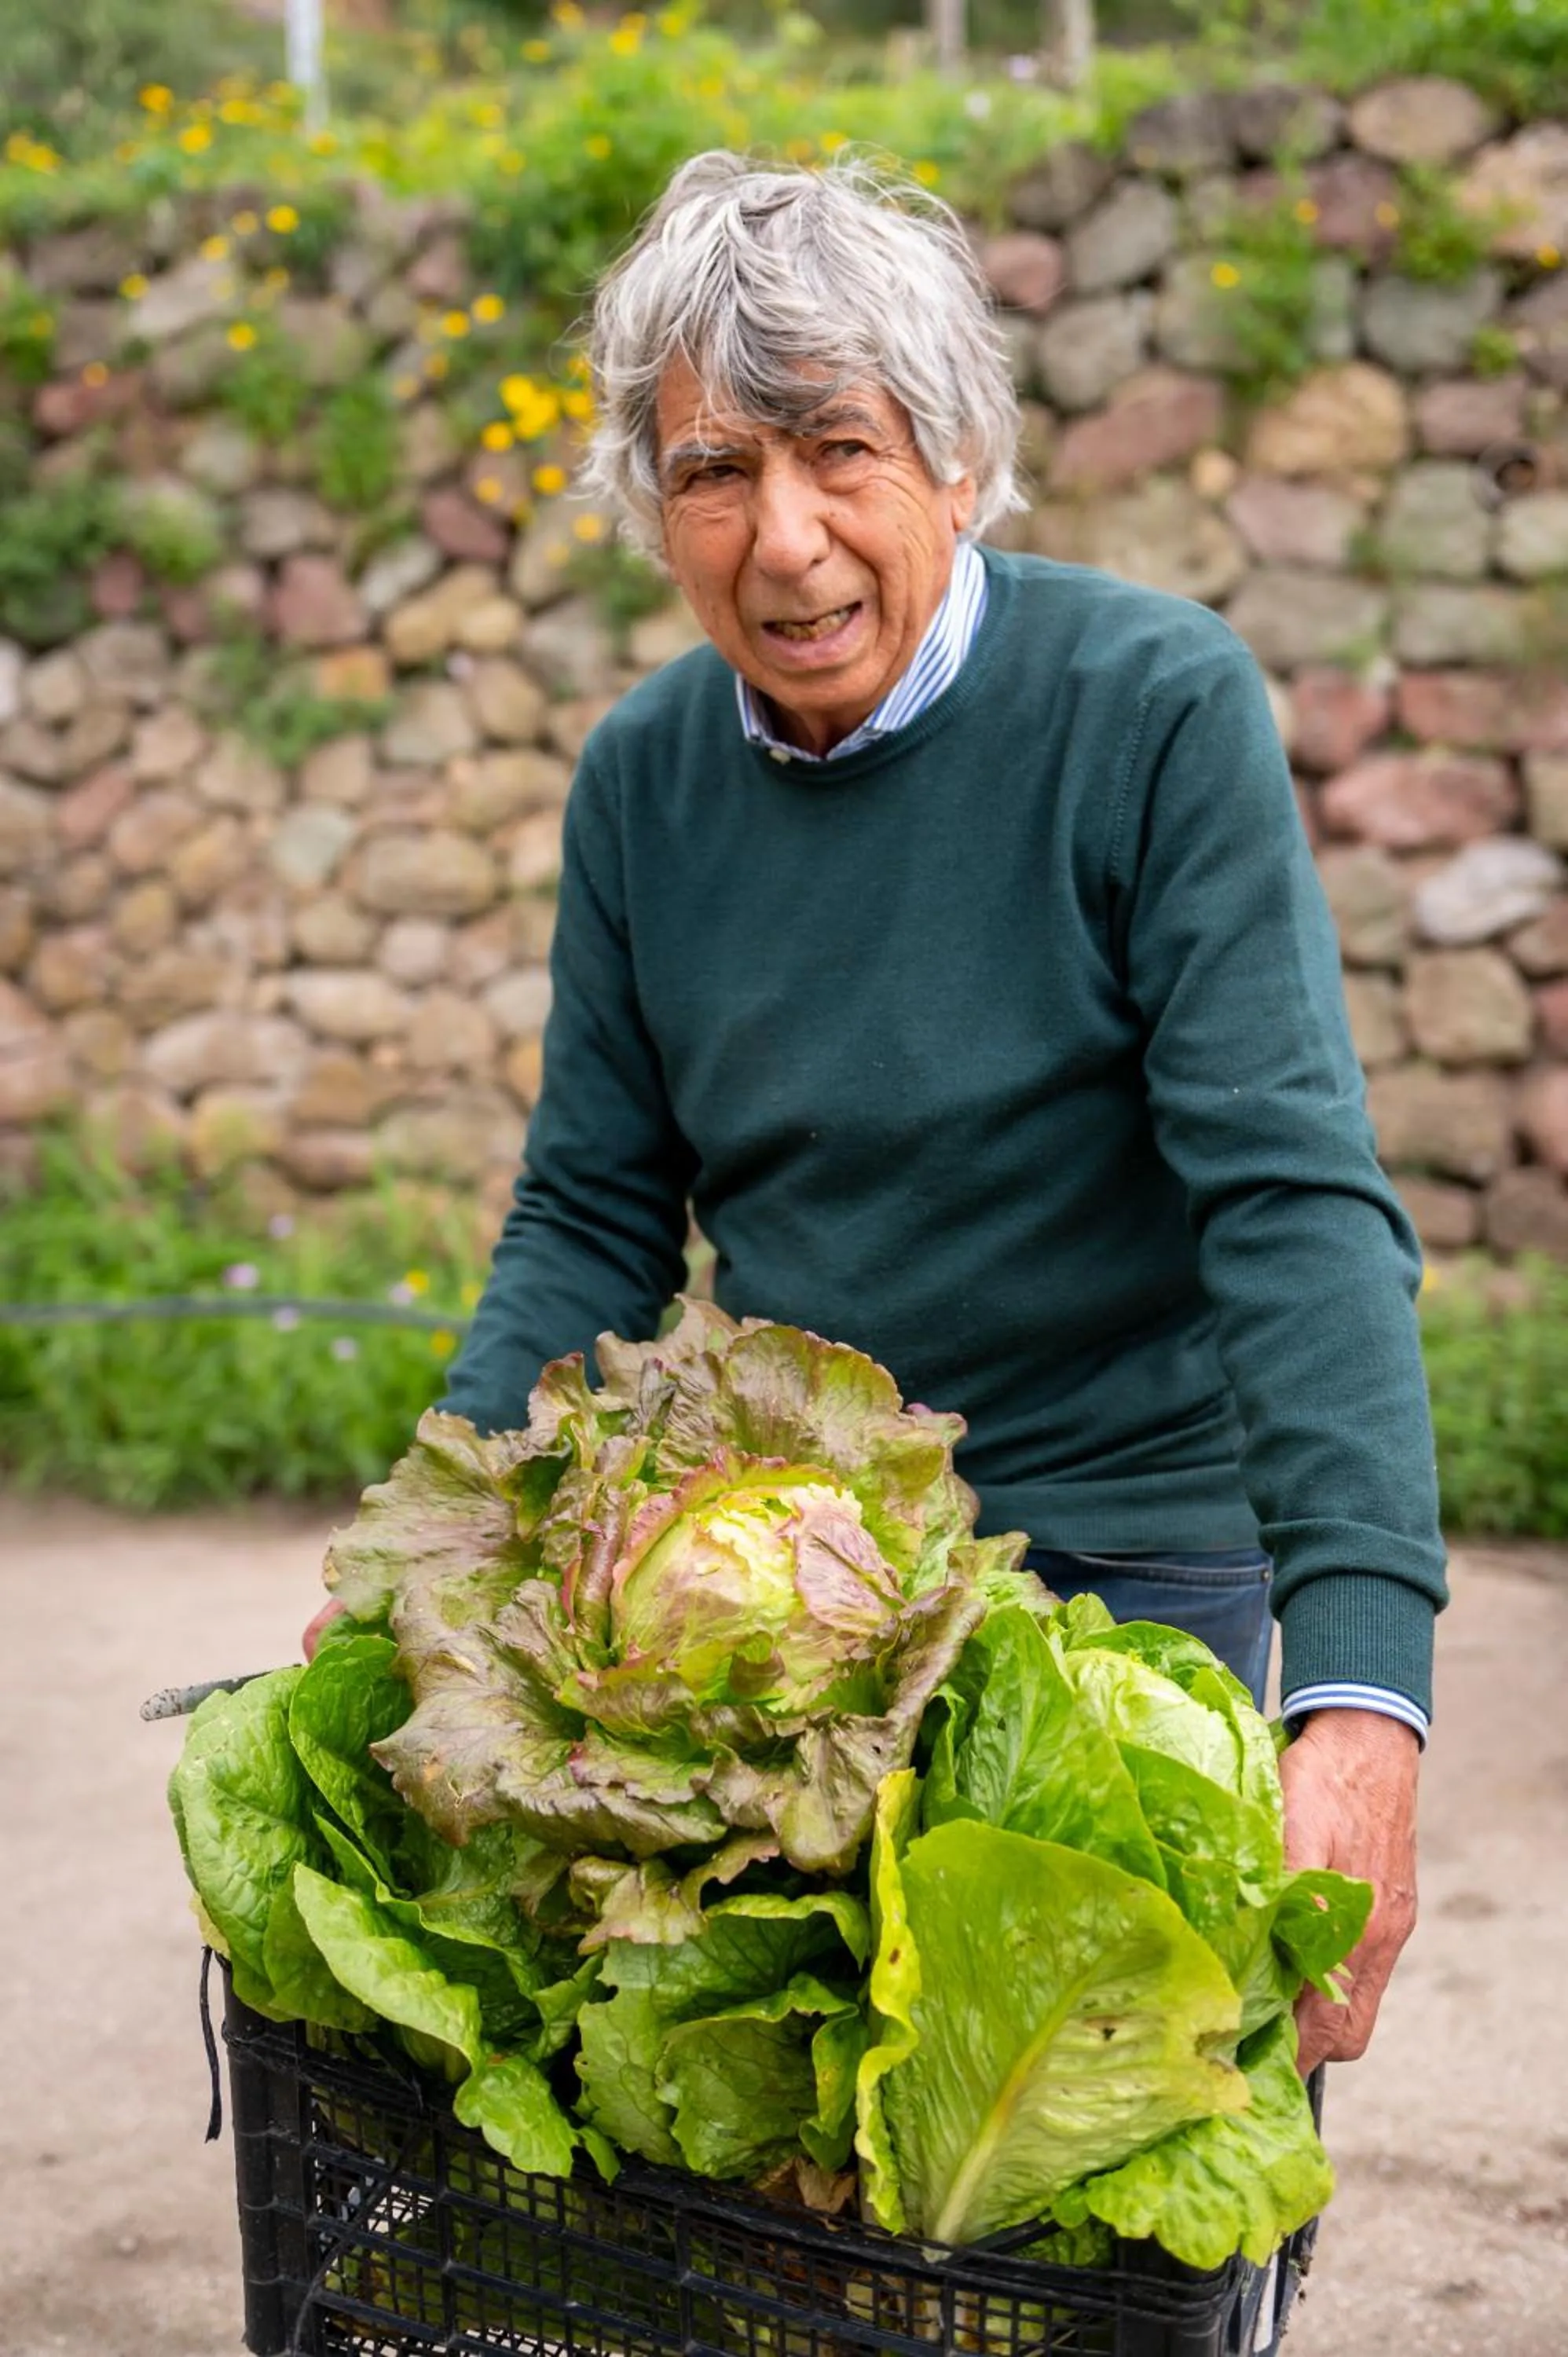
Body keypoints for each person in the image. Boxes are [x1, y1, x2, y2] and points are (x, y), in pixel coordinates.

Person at [311, 154, 1442, 2132]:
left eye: (841, 449)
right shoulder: (644, 781)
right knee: (792, 2191)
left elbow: (1286, 1195)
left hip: (1125, 1557)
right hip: (798, 1597)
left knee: (1088, 2170)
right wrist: (413, 1547)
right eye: (712, 473)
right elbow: (589, 1213)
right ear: (651, 508)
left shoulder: (1151, 709)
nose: (787, 539)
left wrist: (1357, 1688)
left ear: (961, 456)